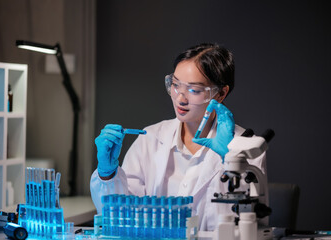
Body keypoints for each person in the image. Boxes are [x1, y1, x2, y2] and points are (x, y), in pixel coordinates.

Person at [90, 43, 267, 231]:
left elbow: (249, 222)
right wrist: (107, 174)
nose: (180, 98)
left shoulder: (246, 147)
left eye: (194, 90)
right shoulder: (149, 138)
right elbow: (120, 217)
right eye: (175, 85)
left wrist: (230, 159)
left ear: (221, 93)